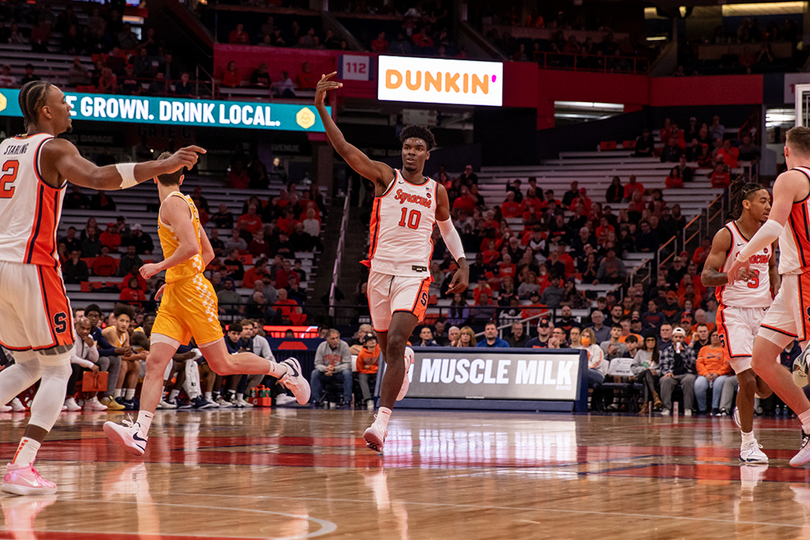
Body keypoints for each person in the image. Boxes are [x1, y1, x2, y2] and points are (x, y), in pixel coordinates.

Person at [0, 81, 202, 495]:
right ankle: (21, 466)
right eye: (63, 102)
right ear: (44, 111)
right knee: (58, 366)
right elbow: (99, 177)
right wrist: (159, 166)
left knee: (28, 366)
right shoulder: (52, 148)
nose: (69, 107)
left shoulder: (4, 148)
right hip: (31, 265)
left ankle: (22, 465)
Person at [103, 153, 310, 457]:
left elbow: (190, 248)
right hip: (177, 293)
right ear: (182, 177)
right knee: (157, 362)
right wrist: (172, 279)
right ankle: (140, 433)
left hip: (194, 295)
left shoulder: (173, 203)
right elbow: (207, 253)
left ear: (155, 175)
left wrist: (159, 267)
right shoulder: (185, 202)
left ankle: (283, 370)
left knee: (222, 364)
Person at [315, 72, 469, 452]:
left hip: (414, 274)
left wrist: (462, 263)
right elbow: (346, 150)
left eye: (418, 147)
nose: (411, 152)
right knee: (389, 348)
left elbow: (447, 230)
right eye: (407, 146)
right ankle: (405, 360)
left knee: (396, 342)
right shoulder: (387, 178)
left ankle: (380, 424)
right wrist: (321, 109)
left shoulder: (437, 191)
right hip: (379, 272)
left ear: (428, 154)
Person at [702, 179, 775, 461]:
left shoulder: (771, 233)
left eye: (769, 201)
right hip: (734, 311)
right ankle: (748, 445)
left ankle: (741, 407)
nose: (768, 206)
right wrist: (730, 274)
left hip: (764, 312)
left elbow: (771, 267)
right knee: (746, 379)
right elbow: (706, 276)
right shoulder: (727, 235)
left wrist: (777, 291)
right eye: (763, 201)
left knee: (766, 388)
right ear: (746, 204)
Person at [658, 327, 697, 416]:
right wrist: (667, 372)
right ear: (672, 338)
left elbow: (692, 366)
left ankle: (688, 408)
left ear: (683, 338)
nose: (678, 339)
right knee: (665, 380)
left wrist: (684, 352)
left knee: (689, 380)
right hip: (672, 374)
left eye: (680, 337)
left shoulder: (689, 350)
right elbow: (663, 365)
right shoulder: (666, 350)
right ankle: (666, 408)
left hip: (686, 373)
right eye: (676, 337)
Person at [694, 330, 733, 416]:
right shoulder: (703, 349)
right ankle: (702, 409)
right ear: (710, 337)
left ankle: (715, 408)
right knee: (698, 384)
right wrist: (706, 374)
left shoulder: (725, 350)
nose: (715, 337)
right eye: (713, 335)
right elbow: (699, 364)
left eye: (717, 335)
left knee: (719, 382)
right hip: (706, 374)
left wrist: (717, 373)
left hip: (721, 375)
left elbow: (727, 365)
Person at [632, 332, 662, 413]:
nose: (650, 342)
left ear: (655, 342)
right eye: (648, 340)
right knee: (646, 373)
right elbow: (633, 367)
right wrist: (644, 369)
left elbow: (663, 368)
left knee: (646, 379)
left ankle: (645, 406)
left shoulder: (660, 353)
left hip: (653, 376)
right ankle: (655, 395)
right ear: (645, 342)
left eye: (652, 340)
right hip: (640, 375)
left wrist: (657, 372)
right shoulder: (640, 353)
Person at [355, 333, 380, 409]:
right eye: (369, 340)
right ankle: (368, 400)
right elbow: (360, 369)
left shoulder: (380, 351)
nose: (372, 341)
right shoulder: (361, 354)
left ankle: (380, 399)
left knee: (381, 376)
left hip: (377, 373)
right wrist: (374, 367)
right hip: (365, 373)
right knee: (362, 377)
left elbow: (382, 366)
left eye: (373, 339)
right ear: (365, 343)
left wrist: (369, 367)